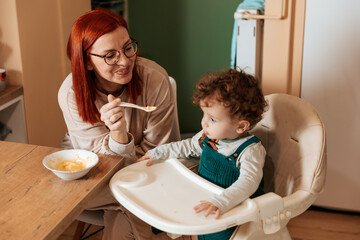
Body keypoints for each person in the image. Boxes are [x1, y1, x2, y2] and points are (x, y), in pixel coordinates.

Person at [58, 8, 181, 240]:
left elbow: (154, 156)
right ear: (87, 62)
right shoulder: (71, 94)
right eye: (110, 55)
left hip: (150, 174)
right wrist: (118, 135)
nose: (124, 61)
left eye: (127, 48)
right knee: (74, 196)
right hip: (100, 181)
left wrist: (121, 144)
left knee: (124, 208)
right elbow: (99, 168)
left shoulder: (155, 79)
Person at [138, 68, 268, 240]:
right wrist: (158, 153)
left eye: (212, 119)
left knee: (215, 235)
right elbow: (187, 146)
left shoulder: (250, 150)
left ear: (241, 126)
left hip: (233, 210)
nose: (204, 123)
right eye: (204, 115)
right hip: (204, 197)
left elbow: (248, 183)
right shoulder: (208, 136)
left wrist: (221, 201)